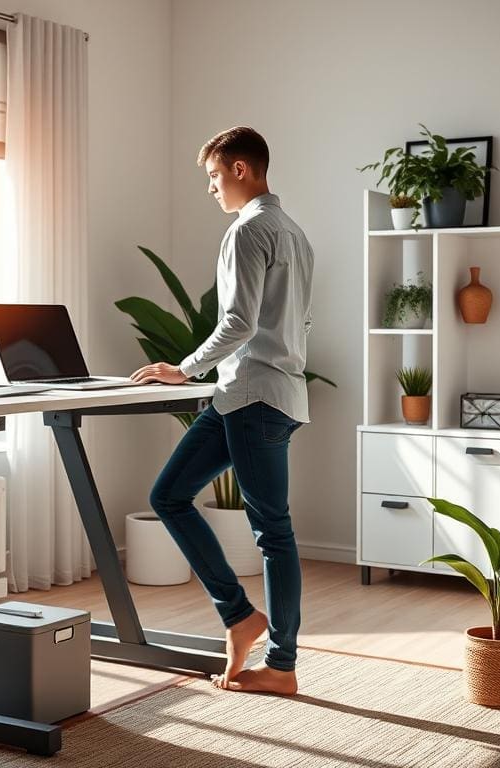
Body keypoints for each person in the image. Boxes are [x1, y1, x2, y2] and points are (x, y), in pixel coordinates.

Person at [130, 126, 314, 695]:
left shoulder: (249, 229)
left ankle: (281, 665)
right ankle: (239, 617)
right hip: (252, 395)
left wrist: (183, 368)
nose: (211, 189)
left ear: (240, 169)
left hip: (254, 396)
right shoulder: (294, 232)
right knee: (169, 495)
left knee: (272, 532)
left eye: (214, 176)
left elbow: (238, 321)